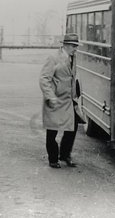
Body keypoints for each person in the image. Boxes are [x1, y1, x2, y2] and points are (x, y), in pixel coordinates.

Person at [39, 33, 80, 168]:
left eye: (76, 46)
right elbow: (44, 79)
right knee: (52, 131)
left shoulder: (73, 58)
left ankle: (65, 155)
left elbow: (72, 78)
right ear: (66, 45)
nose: (76, 49)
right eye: (74, 46)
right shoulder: (53, 58)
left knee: (72, 129)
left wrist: (75, 95)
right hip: (55, 100)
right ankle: (53, 159)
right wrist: (50, 96)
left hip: (68, 100)